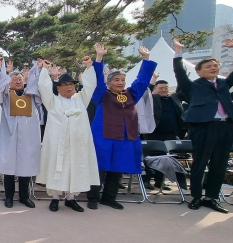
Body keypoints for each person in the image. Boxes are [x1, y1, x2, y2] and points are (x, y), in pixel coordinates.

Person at [88, 43, 157, 210]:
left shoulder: (131, 94)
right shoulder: (102, 95)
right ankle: (93, 197)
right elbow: (97, 81)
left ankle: (109, 197)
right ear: (109, 83)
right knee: (100, 167)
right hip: (104, 135)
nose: (120, 83)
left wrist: (146, 59)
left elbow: (142, 81)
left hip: (126, 136)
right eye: (117, 80)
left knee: (118, 167)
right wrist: (99, 58)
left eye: (123, 80)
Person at [173, 38, 233, 213]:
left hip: (226, 127)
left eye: (215, 65)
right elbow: (179, 72)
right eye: (208, 66)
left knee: (220, 164)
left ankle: (211, 197)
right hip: (203, 127)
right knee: (200, 162)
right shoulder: (193, 86)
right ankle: (196, 197)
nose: (213, 68)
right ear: (198, 72)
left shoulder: (224, 84)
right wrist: (178, 52)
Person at [37, 56, 100, 212]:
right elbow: (43, 86)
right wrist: (45, 70)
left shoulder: (81, 100)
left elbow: (91, 85)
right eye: (64, 84)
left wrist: (88, 66)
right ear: (58, 88)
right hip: (58, 143)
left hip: (77, 143)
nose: (68, 87)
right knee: (56, 169)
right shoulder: (52, 102)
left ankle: (71, 198)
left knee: (75, 169)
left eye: (71, 84)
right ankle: (55, 198)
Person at [0, 60, 41, 209]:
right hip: (9, 137)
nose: (17, 81)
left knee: (25, 168)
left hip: (27, 137)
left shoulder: (31, 95)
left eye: (20, 79)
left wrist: (37, 68)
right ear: (9, 82)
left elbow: (37, 82)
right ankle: (9, 197)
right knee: (9, 168)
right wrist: (4, 71)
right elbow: (0, 85)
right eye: (14, 80)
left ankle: (24, 197)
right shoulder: (7, 96)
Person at [141, 73, 188, 191]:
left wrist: (182, 77)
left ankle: (160, 181)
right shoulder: (152, 99)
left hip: (171, 133)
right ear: (155, 89)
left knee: (167, 158)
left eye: (165, 88)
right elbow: (147, 91)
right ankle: (146, 180)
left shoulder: (173, 98)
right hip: (154, 133)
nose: (163, 90)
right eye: (160, 88)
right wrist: (153, 79)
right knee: (151, 158)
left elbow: (183, 90)